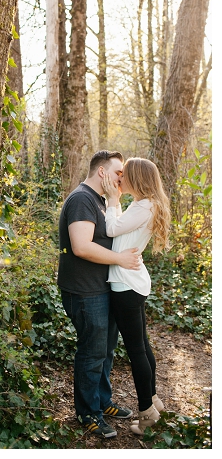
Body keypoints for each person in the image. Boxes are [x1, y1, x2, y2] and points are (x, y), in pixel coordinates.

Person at [58, 150, 142, 439]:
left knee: (105, 351)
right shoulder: (82, 199)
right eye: (119, 172)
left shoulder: (103, 201)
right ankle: (87, 412)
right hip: (84, 291)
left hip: (103, 289)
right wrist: (120, 260)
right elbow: (81, 246)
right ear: (102, 172)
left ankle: (102, 402)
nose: (123, 178)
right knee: (92, 353)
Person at [102, 157, 170, 435]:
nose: (120, 178)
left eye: (124, 174)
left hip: (125, 285)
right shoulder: (144, 204)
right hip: (131, 282)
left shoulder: (143, 206)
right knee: (142, 345)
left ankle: (146, 415)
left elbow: (111, 229)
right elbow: (122, 235)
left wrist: (111, 199)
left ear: (137, 178)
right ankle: (153, 401)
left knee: (137, 351)